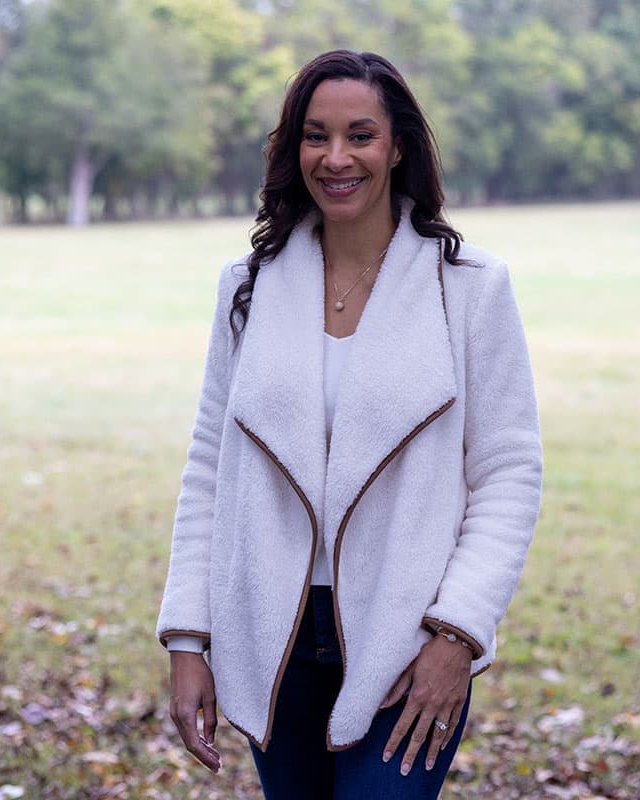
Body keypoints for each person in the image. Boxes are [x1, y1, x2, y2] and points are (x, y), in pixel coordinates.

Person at [156, 49, 543, 799]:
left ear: (397, 146)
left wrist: (456, 635)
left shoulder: (469, 289)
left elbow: (508, 473)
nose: (336, 158)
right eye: (315, 135)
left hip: (409, 643)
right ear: (292, 147)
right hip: (272, 638)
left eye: (360, 135)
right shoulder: (249, 288)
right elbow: (210, 466)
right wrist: (187, 638)